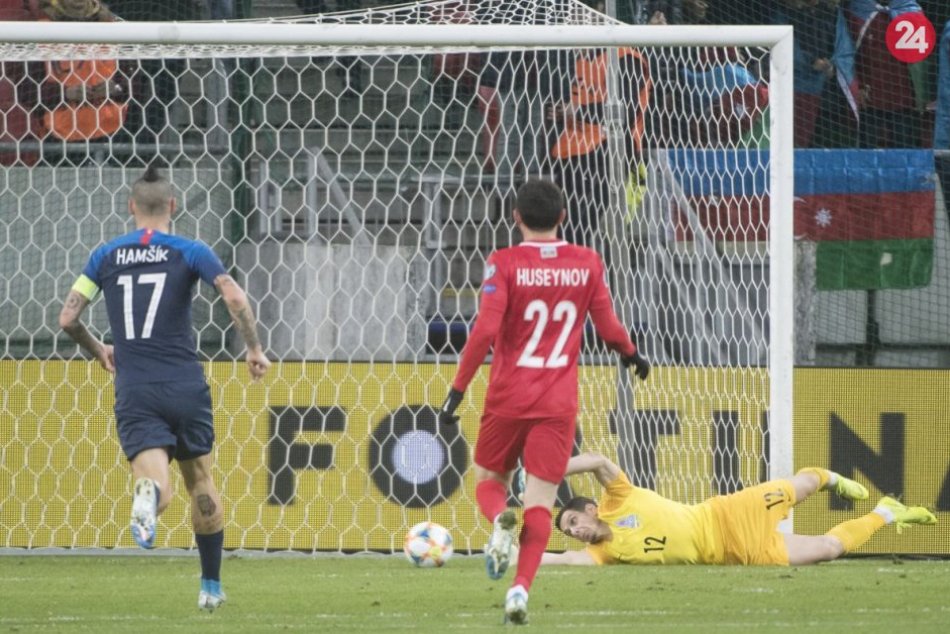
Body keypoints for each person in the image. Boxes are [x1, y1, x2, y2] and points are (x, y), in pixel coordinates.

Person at [436, 179, 651, 624]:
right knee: (540, 502)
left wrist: (457, 390)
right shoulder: (587, 262)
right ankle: (519, 591)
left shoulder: (505, 262)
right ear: (563, 216)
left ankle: (499, 520)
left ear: (516, 217)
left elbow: (484, 332)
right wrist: (632, 354)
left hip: (508, 397)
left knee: (489, 481)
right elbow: (608, 326)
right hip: (557, 405)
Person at [58, 165, 271, 611]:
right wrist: (253, 348)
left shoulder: (105, 256)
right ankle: (210, 587)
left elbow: (68, 318)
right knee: (201, 480)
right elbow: (233, 296)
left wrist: (100, 349)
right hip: (184, 385)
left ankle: (148, 498)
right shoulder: (190, 250)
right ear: (172, 206)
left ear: (131, 206)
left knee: (159, 488)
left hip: (136, 388)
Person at [542, 451, 937, 566]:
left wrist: (551, 469)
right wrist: (513, 551)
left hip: (730, 513)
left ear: (592, 508)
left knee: (800, 485)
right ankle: (887, 512)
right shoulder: (602, 554)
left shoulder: (619, 496)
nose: (574, 530)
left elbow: (596, 461)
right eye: (568, 530)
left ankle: (827, 476)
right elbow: (557, 562)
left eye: (574, 519)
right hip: (737, 554)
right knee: (828, 550)